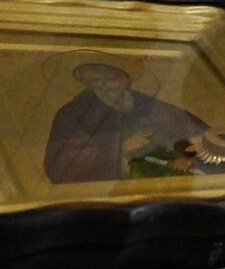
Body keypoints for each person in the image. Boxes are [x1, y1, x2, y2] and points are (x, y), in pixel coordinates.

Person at [45, 57, 209, 183]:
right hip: (121, 188)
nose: (104, 85)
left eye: (109, 78)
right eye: (94, 81)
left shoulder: (153, 107)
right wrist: (120, 149)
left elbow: (194, 135)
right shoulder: (73, 113)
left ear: (126, 80)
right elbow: (62, 164)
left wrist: (185, 157)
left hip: (171, 182)